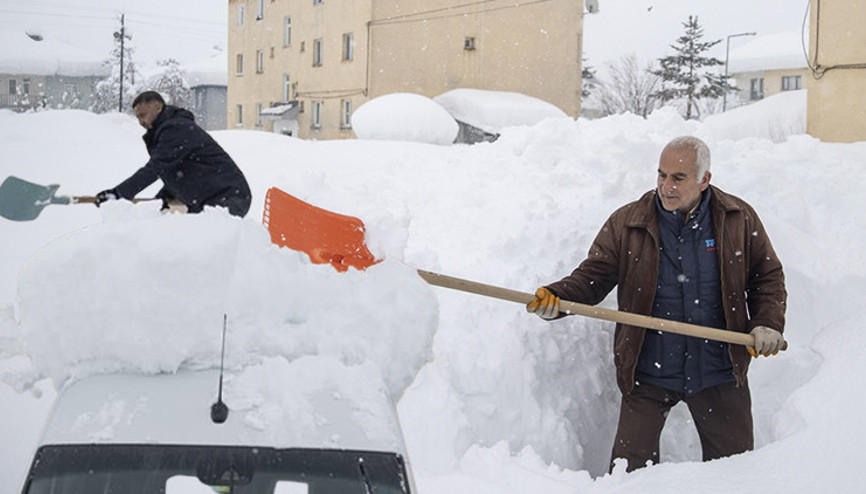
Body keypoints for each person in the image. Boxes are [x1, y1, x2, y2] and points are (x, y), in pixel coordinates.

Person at [526, 136, 786, 472]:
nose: (666, 186)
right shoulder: (629, 222)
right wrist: (559, 299)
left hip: (718, 370)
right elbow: (594, 276)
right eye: (661, 175)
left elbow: (767, 276)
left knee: (735, 475)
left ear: (705, 179)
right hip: (649, 370)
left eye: (679, 178)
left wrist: (767, 323)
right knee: (628, 477)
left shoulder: (737, 219)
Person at [95, 91, 252, 217]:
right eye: (137, 117)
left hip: (228, 197)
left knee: (204, 247)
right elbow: (176, 171)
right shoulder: (168, 130)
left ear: (158, 108)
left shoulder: (175, 129)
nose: (140, 122)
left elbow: (155, 168)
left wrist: (118, 194)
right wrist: (164, 197)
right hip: (212, 196)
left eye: (143, 115)